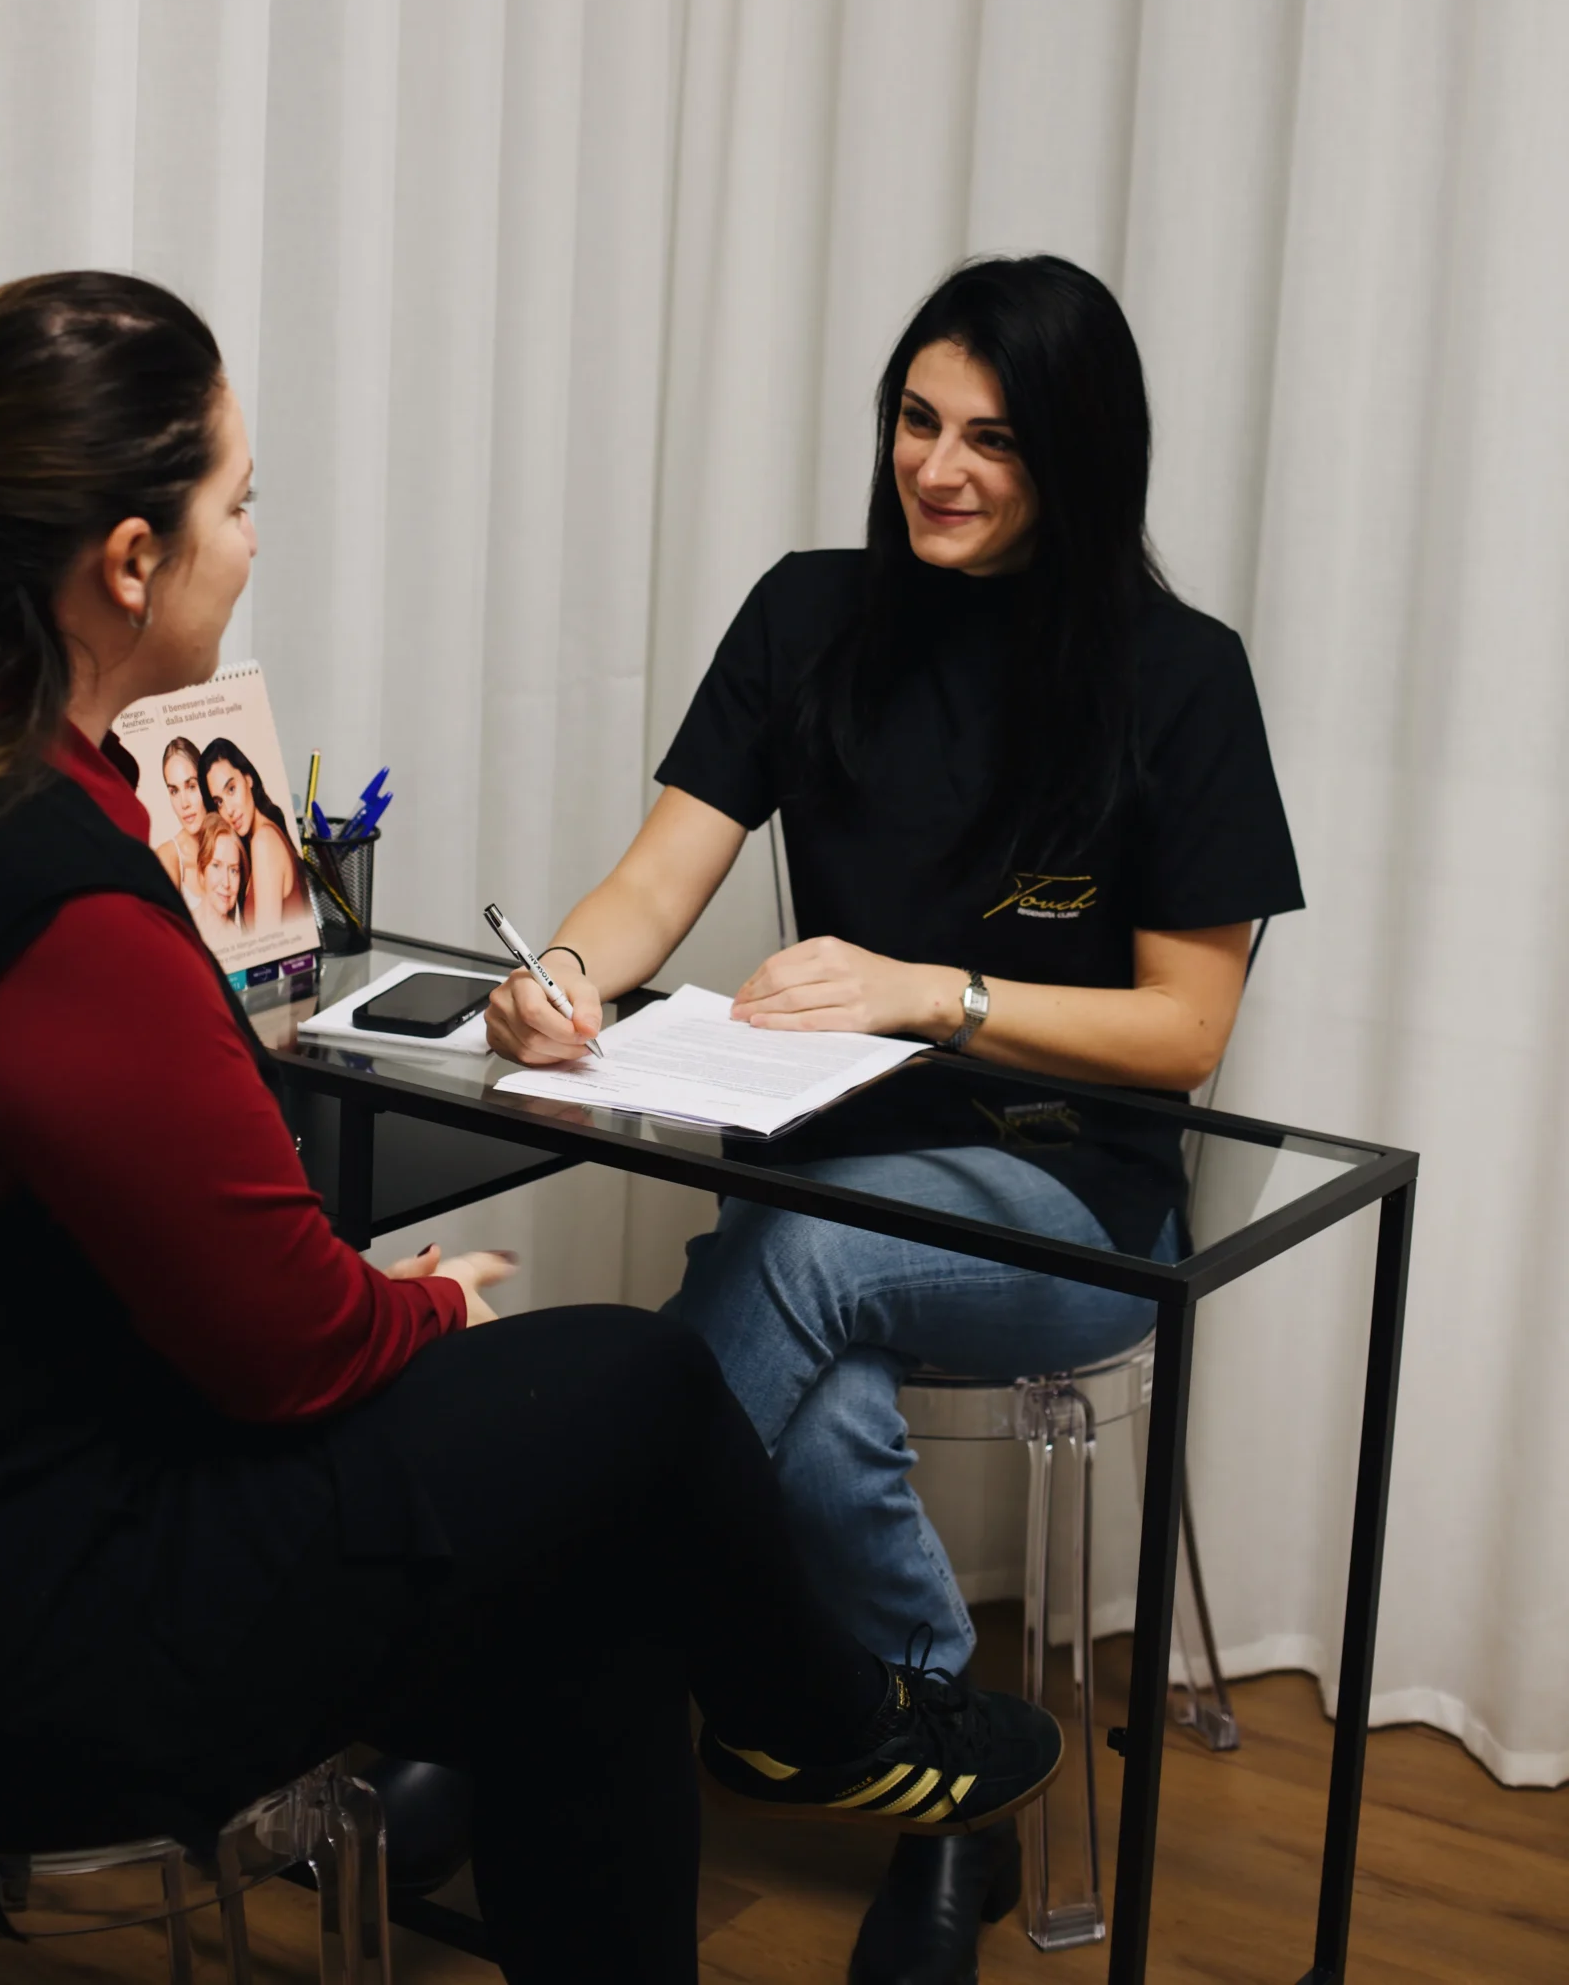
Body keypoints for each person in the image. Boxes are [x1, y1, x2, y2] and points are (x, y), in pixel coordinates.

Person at [0, 270, 1063, 1985]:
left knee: (592, 1579)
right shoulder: (48, 894)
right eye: (240, 503)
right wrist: (426, 1305)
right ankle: (833, 1724)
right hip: (47, 1627)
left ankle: (813, 1721)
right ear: (130, 562)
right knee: (636, 1389)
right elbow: (290, 1350)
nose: (253, 543)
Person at [486, 255, 1304, 1984]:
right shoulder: (807, 615)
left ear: (1077, 456)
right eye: (915, 423)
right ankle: (948, 1796)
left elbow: (1185, 1030)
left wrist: (937, 992)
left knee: (788, 1266)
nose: (935, 467)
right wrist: (556, 976)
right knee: (821, 1371)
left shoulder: (1179, 676)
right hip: (829, 1185)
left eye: (990, 440)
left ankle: (521, 1675)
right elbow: (655, 878)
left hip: (1071, 1210)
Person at [197, 734, 306, 929]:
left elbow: (268, 941)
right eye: (219, 802)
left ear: (248, 779)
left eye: (231, 789)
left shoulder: (264, 842)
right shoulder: (260, 839)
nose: (229, 810)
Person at [154, 734, 207, 913]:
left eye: (191, 786)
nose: (184, 804)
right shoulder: (168, 858)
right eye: (174, 791)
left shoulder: (229, 845)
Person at [192, 810, 247, 949]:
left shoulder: (242, 942)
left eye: (233, 870)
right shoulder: (182, 928)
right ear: (201, 870)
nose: (226, 883)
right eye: (216, 866)